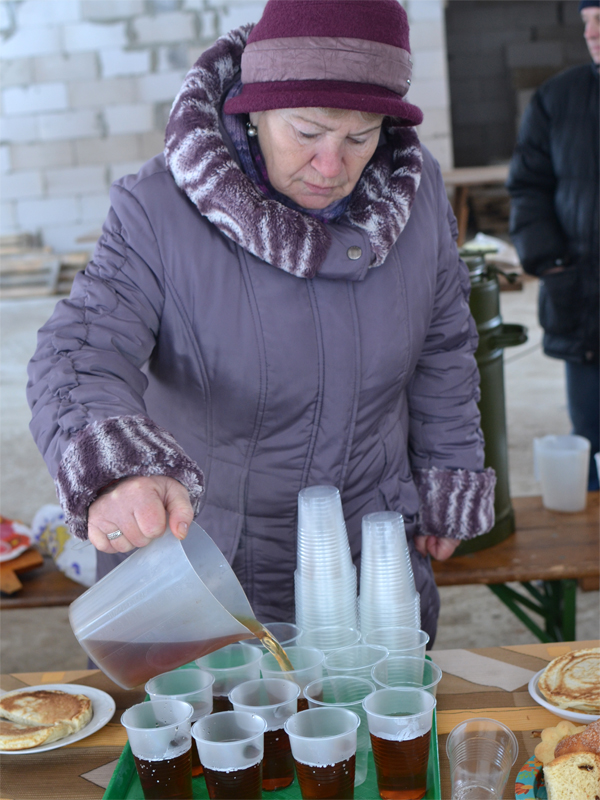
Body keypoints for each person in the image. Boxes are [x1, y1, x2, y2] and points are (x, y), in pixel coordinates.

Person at [27, 0, 495, 645]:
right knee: (202, 712)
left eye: (359, 137)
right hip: (205, 564)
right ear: (254, 109)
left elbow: (444, 347)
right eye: (306, 132)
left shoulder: (414, 195)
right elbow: (79, 352)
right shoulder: (158, 210)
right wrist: (117, 467)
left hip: (370, 558)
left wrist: (449, 471)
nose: (331, 166)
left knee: (370, 709)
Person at [507, 0, 599, 490]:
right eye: (587, 21)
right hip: (584, 304)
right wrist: (552, 264)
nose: (591, 33)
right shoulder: (556, 98)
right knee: (593, 441)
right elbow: (528, 187)